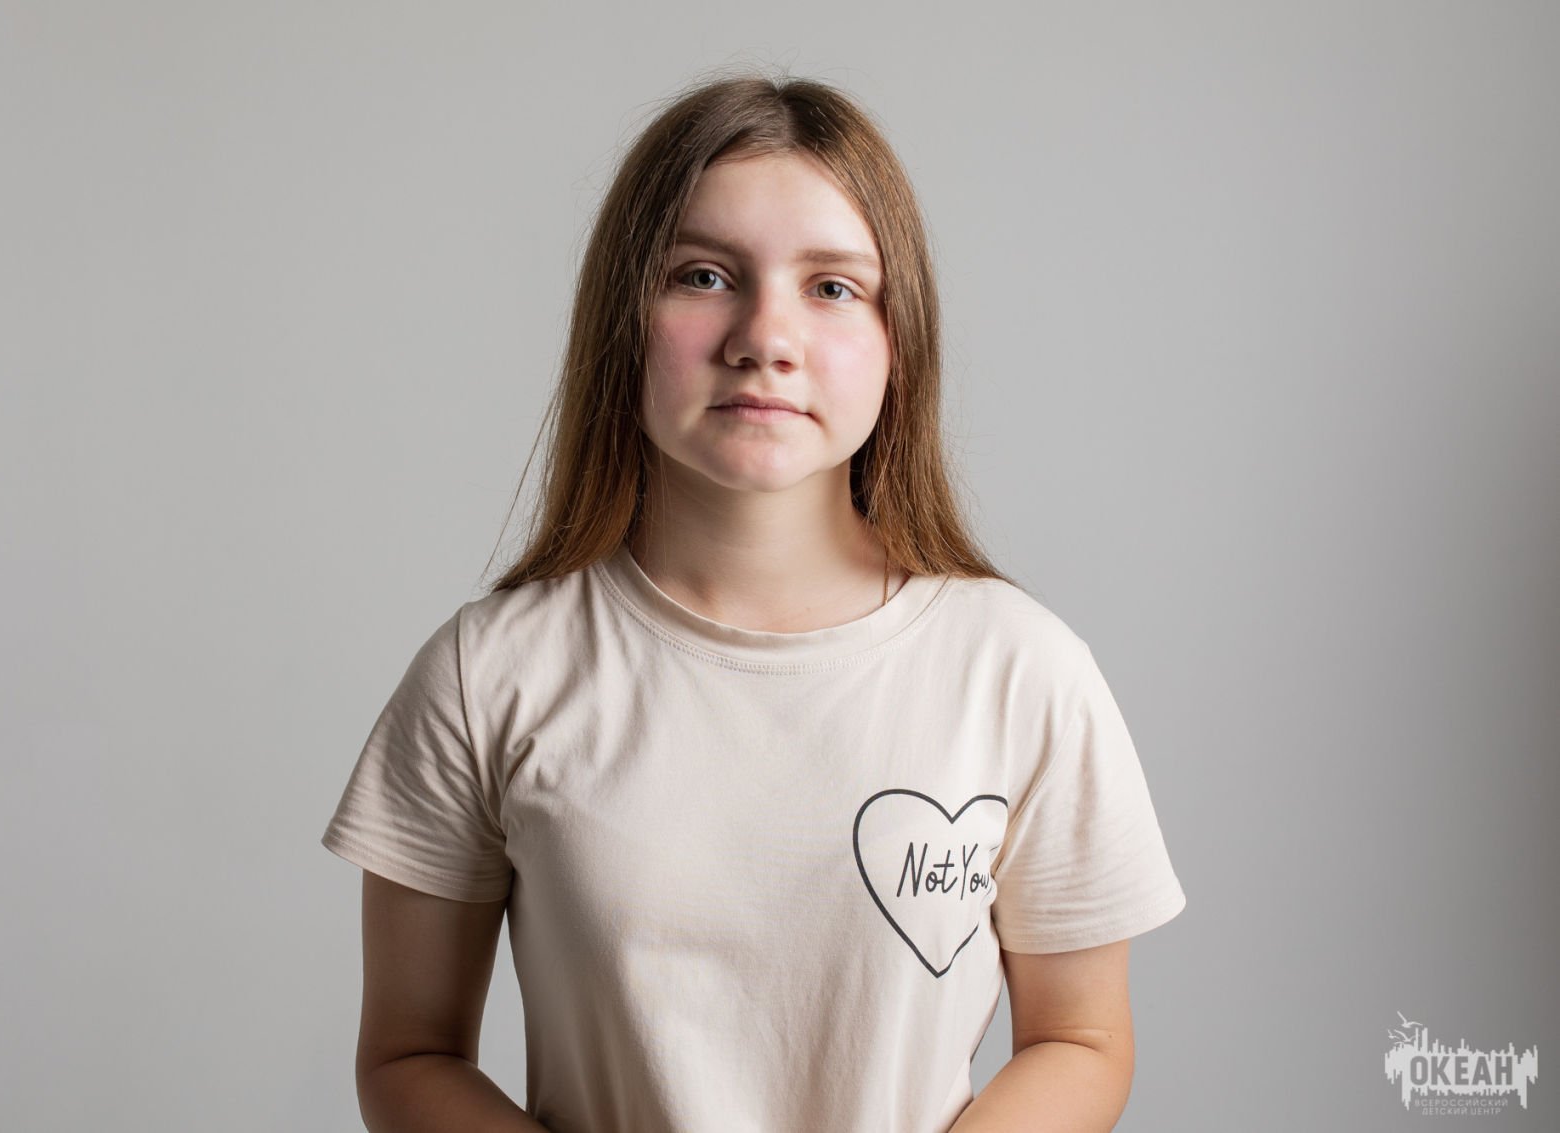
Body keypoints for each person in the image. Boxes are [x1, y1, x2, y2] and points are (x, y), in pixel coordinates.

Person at [320, 68, 1187, 1133]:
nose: (764, 336)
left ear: (900, 338)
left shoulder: (1020, 670)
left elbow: (1081, 1036)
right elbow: (408, 1053)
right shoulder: (486, 674)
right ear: (621, 320)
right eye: (702, 275)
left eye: (832, 287)